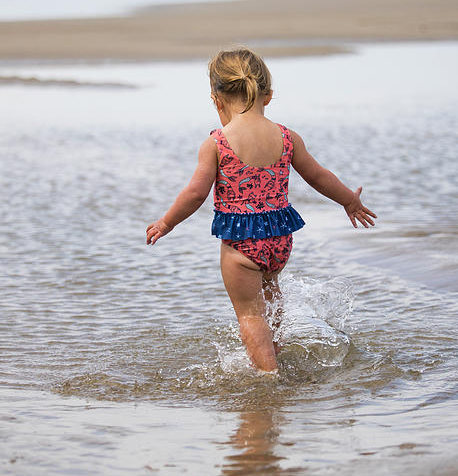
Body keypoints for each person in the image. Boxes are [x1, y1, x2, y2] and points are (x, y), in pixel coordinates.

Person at [146, 48, 376, 372]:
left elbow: (196, 192)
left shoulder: (216, 143)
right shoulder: (286, 136)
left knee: (250, 315)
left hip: (242, 244)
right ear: (267, 95)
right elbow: (318, 176)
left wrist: (167, 222)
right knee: (270, 294)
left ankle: (269, 377)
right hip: (280, 241)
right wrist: (349, 201)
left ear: (217, 99)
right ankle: (275, 351)